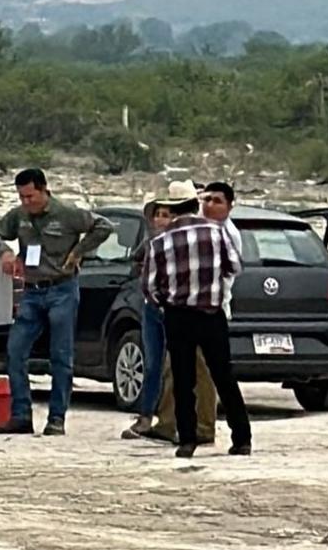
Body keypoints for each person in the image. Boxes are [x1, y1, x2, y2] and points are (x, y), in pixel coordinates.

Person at [0, 168, 113, 436]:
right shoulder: (18, 216)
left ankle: (56, 418)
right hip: (31, 291)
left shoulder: (67, 213)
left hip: (61, 290)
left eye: (30, 196)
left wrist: (78, 252)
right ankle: (21, 415)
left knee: (61, 356)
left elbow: (104, 226)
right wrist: (5, 252)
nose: (26, 202)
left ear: (44, 190)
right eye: (21, 197)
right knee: (15, 351)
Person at [141, 179, 252, 458]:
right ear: (194, 204)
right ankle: (241, 438)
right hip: (211, 314)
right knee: (223, 376)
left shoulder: (160, 242)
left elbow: (150, 288)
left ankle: (187, 439)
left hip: (178, 316)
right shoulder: (217, 233)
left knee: (182, 378)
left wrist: (168, 302)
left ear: (171, 208)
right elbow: (234, 267)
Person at [121, 200, 174, 439]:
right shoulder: (151, 243)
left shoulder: (182, 243)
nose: (161, 220)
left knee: (175, 368)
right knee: (152, 364)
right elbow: (136, 260)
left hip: (175, 308)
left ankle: (172, 420)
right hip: (152, 307)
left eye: (167, 215)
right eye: (158, 215)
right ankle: (146, 415)